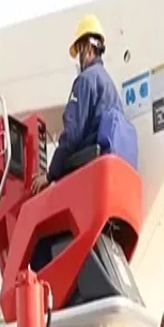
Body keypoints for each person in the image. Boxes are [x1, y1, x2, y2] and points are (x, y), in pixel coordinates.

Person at [32, 14, 138, 194]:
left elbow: (72, 135)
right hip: (113, 182)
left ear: (87, 48)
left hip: (89, 175)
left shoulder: (85, 80)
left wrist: (50, 175)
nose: (79, 59)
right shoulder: (109, 85)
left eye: (79, 51)